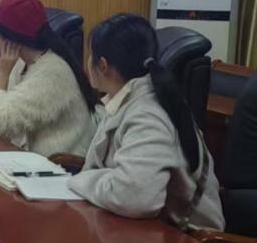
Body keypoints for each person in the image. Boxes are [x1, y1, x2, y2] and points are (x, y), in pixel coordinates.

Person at [68, 14, 224, 230]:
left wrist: (80, 180)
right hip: (140, 229)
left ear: (102, 65)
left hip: (187, 241)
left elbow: (134, 197)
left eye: (90, 55)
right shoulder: (125, 97)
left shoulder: (148, 113)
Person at [0, 0, 99, 157]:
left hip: (57, 165)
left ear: (9, 39)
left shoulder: (52, 73)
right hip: (29, 159)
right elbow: (1, 121)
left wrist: (2, 73)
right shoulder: (22, 63)